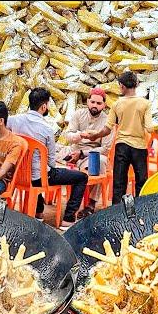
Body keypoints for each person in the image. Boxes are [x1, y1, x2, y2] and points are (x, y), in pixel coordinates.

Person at [8, 87, 88, 229]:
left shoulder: (13, 120)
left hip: (18, 174)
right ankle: (68, 219)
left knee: (37, 171)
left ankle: (38, 211)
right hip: (39, 177)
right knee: (81, 177)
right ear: (44, 106)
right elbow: (50, 162)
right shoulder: (46, 129)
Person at [81, 70, 153, 205]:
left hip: (122, 146)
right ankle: (141, 210)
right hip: (139, 147)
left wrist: (94, 136)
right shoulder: (145, 104)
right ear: (136, 84)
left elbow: (107, 129)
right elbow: (150, 128)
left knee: (119, 182)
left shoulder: (116, 104)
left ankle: (116, 212)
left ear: (121, 86)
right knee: (141, 181)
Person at [58, 87, 113, 218]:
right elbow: (68, 135)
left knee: (101, 162)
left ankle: (91, 204)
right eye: (92, 102)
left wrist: (83, 153)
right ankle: (41, 199)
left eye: (99, 103)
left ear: (104, 105)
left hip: (91, 154)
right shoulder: (78, 114)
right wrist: (79, 136)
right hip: (74, 149)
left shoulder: (107, 121)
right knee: (49, 152)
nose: (95, 106)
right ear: (88, 101)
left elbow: (105, 148)